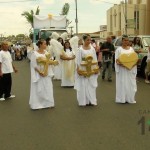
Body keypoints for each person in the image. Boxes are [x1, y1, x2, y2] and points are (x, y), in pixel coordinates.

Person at [29, 39, 57, 109]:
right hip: (39, 73)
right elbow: (34, 65)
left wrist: (53, 62)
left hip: (46, 72)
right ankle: (38, 104)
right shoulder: (34, 53)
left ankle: (48, 103)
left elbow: (50, 60)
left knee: (48, 87)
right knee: (39, 88)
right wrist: (39, 72)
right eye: (44, 44)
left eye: (46, 44)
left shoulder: (46, 53)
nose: (46, 45)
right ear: (40, 45)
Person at [74, 34, 99, 106]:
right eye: (88, 40)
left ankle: (91, 100)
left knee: (91, 84)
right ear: (84, 40)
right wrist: (78, 69)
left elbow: (95, 59)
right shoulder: (80, 49)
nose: (89, 41)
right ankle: (84, 101)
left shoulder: (92, 49)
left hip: (91, 68)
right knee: (83, 84)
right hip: (83, 68)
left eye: (90, 40)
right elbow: (78, 60)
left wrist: (96, 68)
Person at [115, 35, 137, 104]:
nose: (126, 41)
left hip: (130, 70)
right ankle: (122, 98)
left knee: (130, 84)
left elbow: (134, 59)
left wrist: (132, 65)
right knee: (123, 83)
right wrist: (124, 65)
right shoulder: (119, 50)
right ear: (122, 41)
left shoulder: (131, 49)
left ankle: (130, 98)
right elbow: (117, 60)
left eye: (127, 40)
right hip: (122, 70)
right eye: (125, 40)